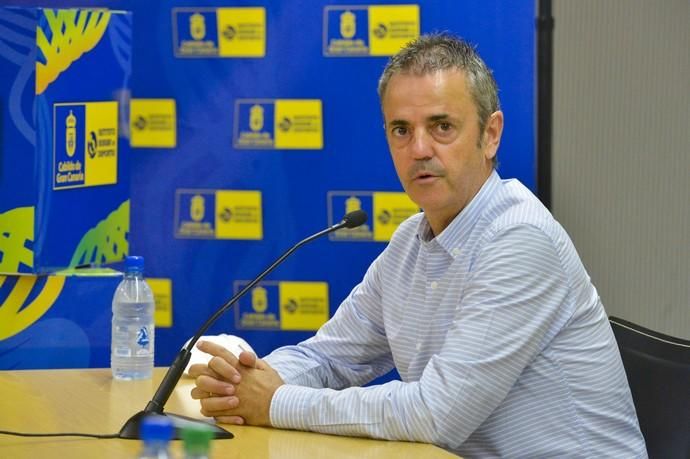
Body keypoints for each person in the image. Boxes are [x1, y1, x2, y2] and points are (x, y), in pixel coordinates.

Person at [189, 33, 647, 457]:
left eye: (442, 126)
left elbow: (437, 414)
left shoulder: (520, 240)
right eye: (401, 130)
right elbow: (328, 356)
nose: (420, 149)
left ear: (491, 134)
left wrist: (276, 401)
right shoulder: (412, 240)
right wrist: (242, 381)